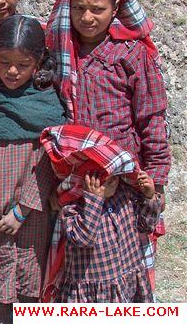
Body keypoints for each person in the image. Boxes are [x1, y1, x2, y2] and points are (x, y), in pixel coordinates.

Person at [45, 0, 171, 291]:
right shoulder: (61, 53)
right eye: (79, 8)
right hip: (80, 180)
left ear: (115, 8)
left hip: (124, 183)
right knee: (82, 270)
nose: (87, 18)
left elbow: (152, 118)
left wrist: (155, 179)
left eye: (97, 9)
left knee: (122, 266)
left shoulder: (130, 55)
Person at [0, 15, 66, 324]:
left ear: (39, 61)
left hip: (32, 218)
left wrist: (23, 209)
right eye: (5, 63)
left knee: (30, 293)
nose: (13, 72)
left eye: (23, 64)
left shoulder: (47, 105)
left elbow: (50, 160)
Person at [40, 124, 162, 303]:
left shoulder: (125, 195)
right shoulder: (73, 208)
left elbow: (146, 225)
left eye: (114, 175)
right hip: (93, 296)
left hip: (127, 286)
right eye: (102, 176)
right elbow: (84, 238)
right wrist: (94, 201)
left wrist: (149, 195)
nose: (111, 180)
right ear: (85, 178)